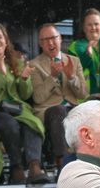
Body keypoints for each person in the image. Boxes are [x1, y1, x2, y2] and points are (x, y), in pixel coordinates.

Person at [0, 22, 49, 185]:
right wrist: (1, 72)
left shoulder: (16, 62)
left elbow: (25, 94)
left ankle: (35, 166)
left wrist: (24, 79)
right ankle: (17, 169)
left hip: (15, 107)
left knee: (33, 122)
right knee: (9, 124)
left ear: (6, 40)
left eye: (0, 37)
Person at [29, 23, 88, 171]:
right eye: (45, 40)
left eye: (53, 38)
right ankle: (63, 163)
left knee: (91, 114)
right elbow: (38, 98)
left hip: (72, 108)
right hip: (48, 110)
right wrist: (52, 77)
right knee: (59, 111)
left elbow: (82, 94)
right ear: (41, 44)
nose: (50, 43)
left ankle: (92, 164)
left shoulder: (74, 61)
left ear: (60, 39)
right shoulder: (34, 65)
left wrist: (72, 77)